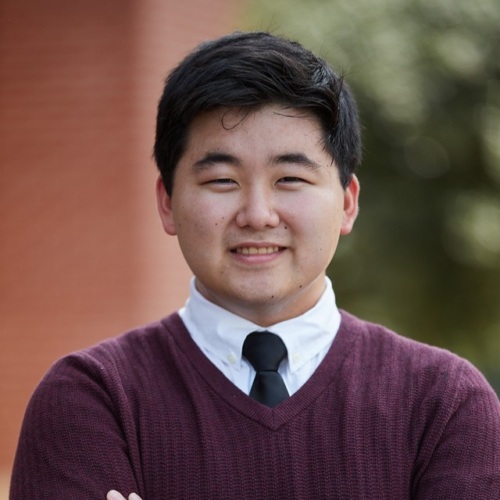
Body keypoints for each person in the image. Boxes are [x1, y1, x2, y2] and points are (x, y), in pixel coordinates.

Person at [10, 31, 500, 500]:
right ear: (167, 202)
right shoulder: (91, 400)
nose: (258, 215)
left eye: (290, 178)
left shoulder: (445, 404)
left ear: (347, 203)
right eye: (222, 180)